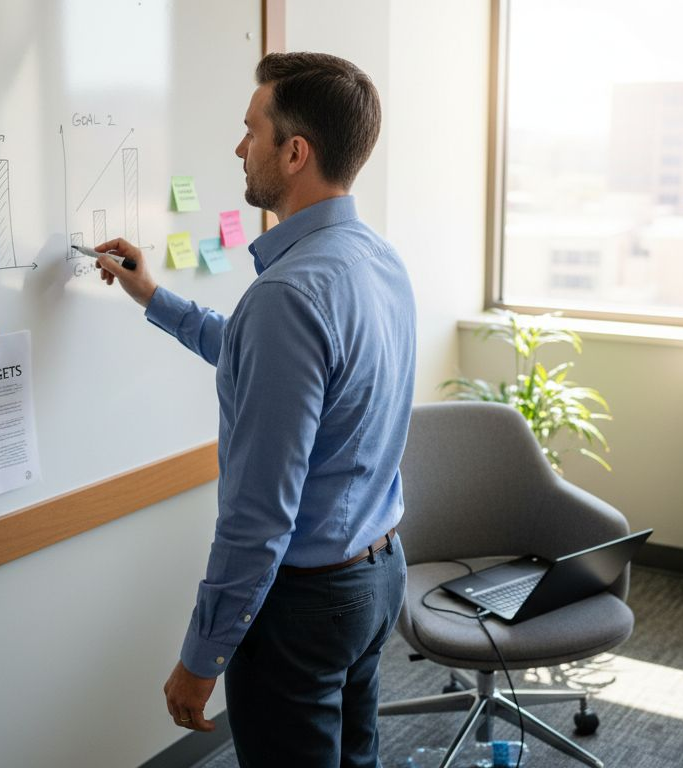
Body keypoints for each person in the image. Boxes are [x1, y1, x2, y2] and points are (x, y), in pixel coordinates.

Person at [94, 51, 416, 768]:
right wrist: (155, 297)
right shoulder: (375, 259)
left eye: (251, 130)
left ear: (294, 152)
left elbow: (259, 514)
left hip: (306, 607)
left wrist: (202, 656)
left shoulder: (288, 297)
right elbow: (277, 369)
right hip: (378, 573)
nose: (240, 147)